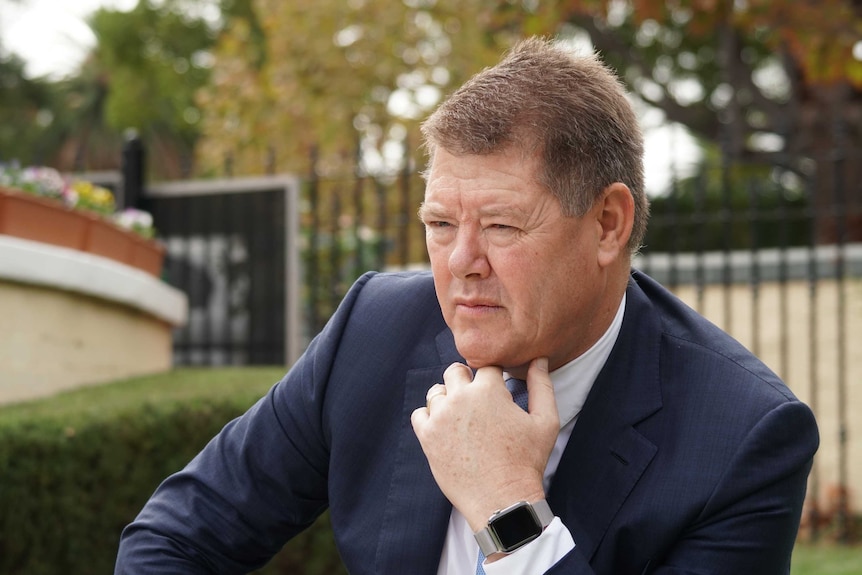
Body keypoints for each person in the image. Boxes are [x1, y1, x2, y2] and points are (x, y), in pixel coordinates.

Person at [115, 37, 818, 574]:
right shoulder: (375, 327)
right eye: (440, 224)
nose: (459, 264)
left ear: (608, 224)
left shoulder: (745, 438)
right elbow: (174, 535)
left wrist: (509, 509)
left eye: (502, 226)